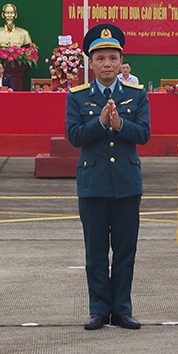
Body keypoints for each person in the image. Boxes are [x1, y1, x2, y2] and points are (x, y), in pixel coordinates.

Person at [66, 23, 151, 331]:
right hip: (93, 185)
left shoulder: (136, 94)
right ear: (91, 62)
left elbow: (143, 134)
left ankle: (123, 309)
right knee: (96, 252)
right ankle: (99, 310)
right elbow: (74, 136)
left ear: (121, 61)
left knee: (126, 251)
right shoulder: (77, 96)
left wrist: (119, 124)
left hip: (127, 184)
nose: (107, 64)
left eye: (112, 58)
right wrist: (101, 123)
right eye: (100, 58)